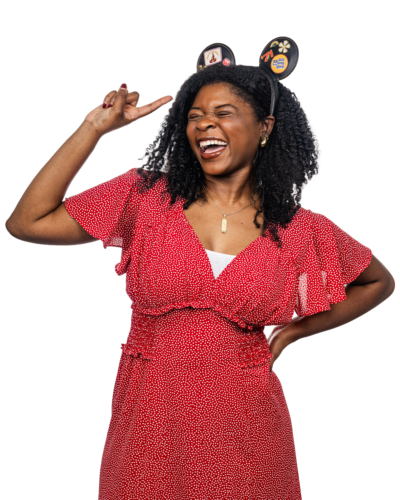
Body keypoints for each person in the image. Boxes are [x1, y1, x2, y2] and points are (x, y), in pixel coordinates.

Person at [6, 65, 395, 499]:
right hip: (150, 423)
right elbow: (27, 222)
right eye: (195, 116)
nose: (205, 124)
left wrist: (289, 333)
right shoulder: (146, 196)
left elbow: (377, 282)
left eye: (223, 113)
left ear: (264, 127)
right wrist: (93, 129)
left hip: (247, 431)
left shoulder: (299, 229)